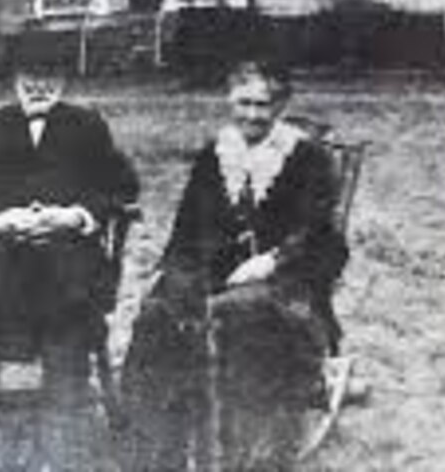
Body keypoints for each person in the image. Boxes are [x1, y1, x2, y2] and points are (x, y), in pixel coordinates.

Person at [120, 60, 348, 472]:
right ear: (229, 100)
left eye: (264, 104)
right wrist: (180, 275)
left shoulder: (306, 157)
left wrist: (273, 260)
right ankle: (155, 449)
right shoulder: (215, 153)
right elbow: (186, 229)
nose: (252, 115)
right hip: (215, 273)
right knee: (158, 312)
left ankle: (237, 450)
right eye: (244, 103)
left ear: (280, 105)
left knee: (239, 311)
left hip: (285, 280)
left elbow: (318, 232)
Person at [0, 50, 139, 453]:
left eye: (50, 72)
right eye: (30, 74)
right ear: (14, 79)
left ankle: (64, 413)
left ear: (63, 79)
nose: (39, 84)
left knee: (70, 312)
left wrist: (75, 216)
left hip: (67, 258)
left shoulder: (88, 127)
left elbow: (122, 189)